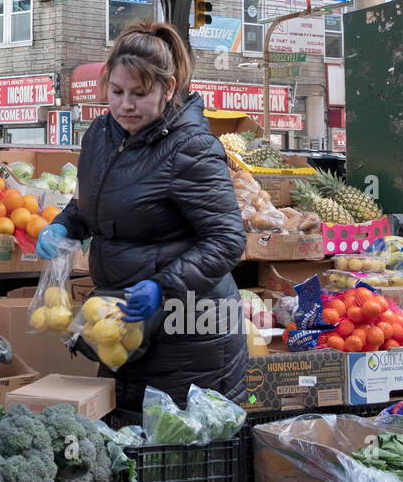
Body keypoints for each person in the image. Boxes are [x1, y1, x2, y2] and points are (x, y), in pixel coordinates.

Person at [35, 21, 248, 409]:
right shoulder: (101, 135)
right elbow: (92, 204)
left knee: (179, 451)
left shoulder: (193, 148)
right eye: (116, 92)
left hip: (191, 333)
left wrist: (163, 288)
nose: (125, 105)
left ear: (167, 89)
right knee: (129, 440)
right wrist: (64, 224)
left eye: (139, 93)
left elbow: (227, 240)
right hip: (123, 325)